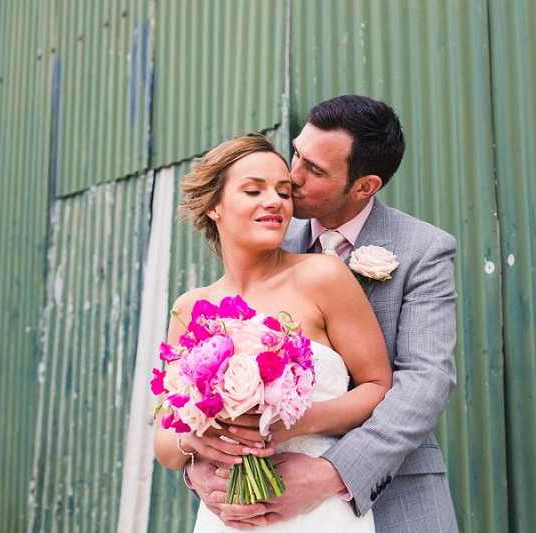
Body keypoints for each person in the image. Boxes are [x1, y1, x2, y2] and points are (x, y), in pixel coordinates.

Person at [188, 95, 459, 532]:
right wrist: (197, 463)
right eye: (297, 153)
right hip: (261, 495)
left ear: (364, 187)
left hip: (392, 493)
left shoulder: (422, 249)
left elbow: (426, 381)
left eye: (314, 170)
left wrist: (333, 472)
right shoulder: (266, 230)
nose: (291, 178)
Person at [153, 133, 392, 532]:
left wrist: (297, 422)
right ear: (214, 206)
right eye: (253, 190)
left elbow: (377, 386)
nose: (275, 201)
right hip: (227, 516)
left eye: (284, 192)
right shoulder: (190, 306)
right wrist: (195, 444)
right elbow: (165, 440)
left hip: (318, 510)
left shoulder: (323, 276)